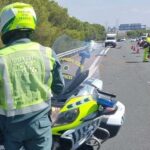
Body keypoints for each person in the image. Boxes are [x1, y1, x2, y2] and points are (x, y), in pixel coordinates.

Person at [0, 2, 65, 150]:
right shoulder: (47, 53)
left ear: (5, 25)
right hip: (40, 126)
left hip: (10, 128)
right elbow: (59, 88)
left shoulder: (1, 58)